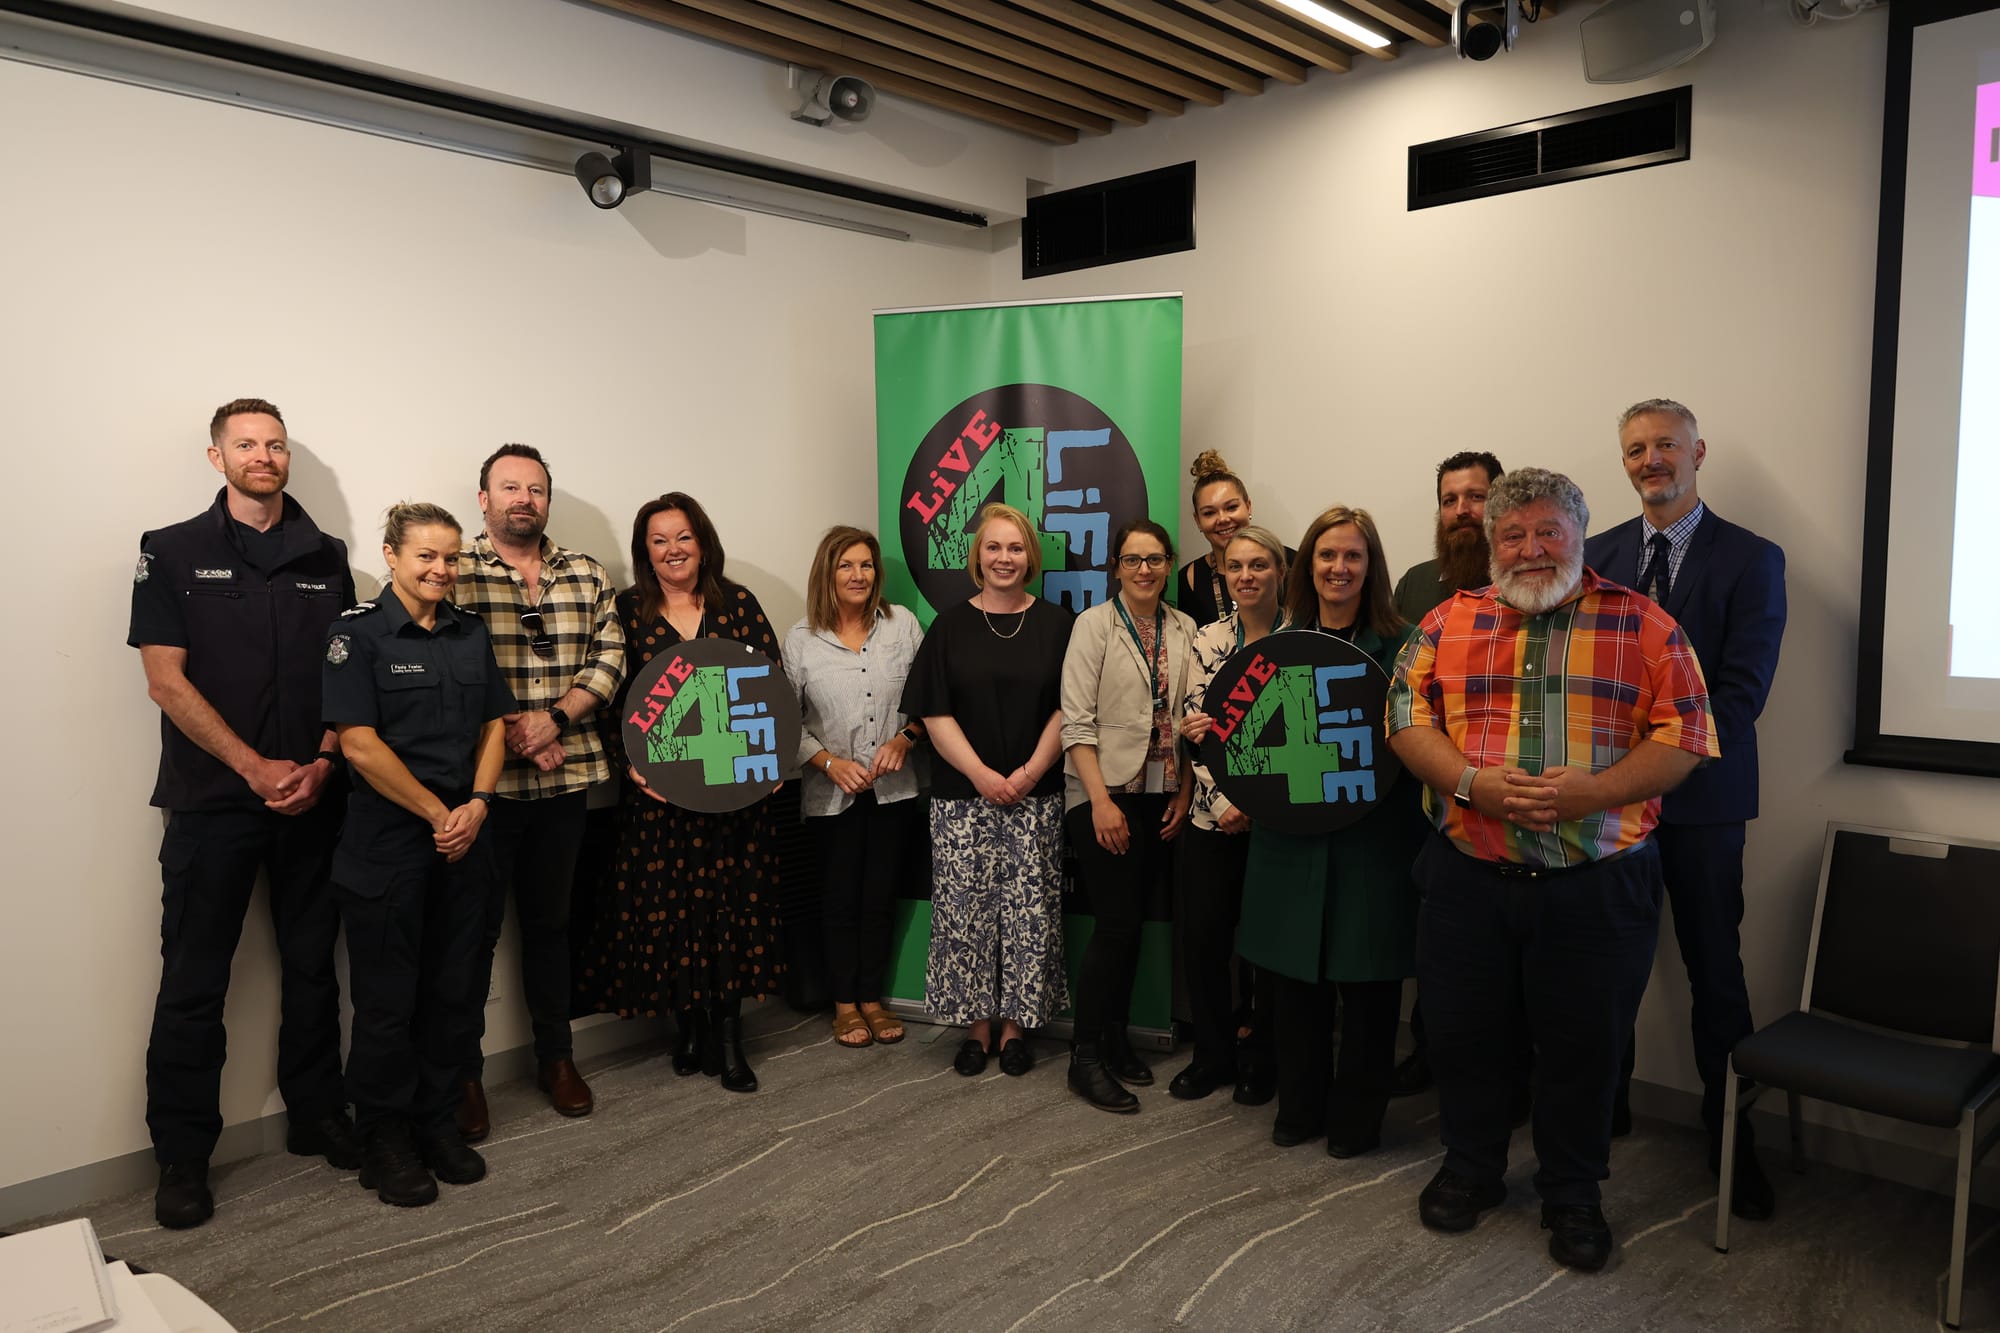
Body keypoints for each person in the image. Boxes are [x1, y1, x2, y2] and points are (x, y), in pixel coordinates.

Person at [1387, 467, 1718, 1273]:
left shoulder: (1644, 625)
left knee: (1585, 1046)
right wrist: (1472, 783)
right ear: (1491, 542)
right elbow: (1403, 714)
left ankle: (1574, 1190)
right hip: (1468, 877)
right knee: (1465, 1036)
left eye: (1548, 532)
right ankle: (1472, 1168)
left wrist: (1595, 791)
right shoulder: (1444, 620)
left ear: (1579, 532)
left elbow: (1689, 734)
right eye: (1513, 535)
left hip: (1596, 886)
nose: (1531, 549)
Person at [130, 397, 359, 1230]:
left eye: (276, 443)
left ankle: (317, 1114)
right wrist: (254, 765)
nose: (264, 454)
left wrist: (325, 761)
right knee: (194, 984)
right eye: (246, 443)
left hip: (312, 798)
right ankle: (183, 1157)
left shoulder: (326, 556)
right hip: (214, 804)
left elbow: (346, 674)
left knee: (311, 972)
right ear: (215, 456)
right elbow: (164, 679)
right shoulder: (172, 550)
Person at [1585, 398, 1787, 1220]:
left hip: (1703, 804)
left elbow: (1741, 695)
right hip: (1603, 806)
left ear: (1696, 450)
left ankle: (1730, 1139)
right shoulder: (1594, 553)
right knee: (1603, 969)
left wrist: (1657, 770)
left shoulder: (1752, 557)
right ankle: (1603, 1115)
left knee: (1716, 973)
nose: (1650, 459)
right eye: (1635, 448)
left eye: (1665, 444)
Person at [322, 502, 514, 1207]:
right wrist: (439, 812)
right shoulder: (357, 637)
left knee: (453, 993)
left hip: (466, 837)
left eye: (452, 557)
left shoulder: (470, 634)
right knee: (385, 1003)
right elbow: (358, 742)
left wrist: (479, 805)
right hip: (391, 844)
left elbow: (496, 723)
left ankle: (436, 1122)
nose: (441, 569)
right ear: (392, 556)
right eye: (427, 556)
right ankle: (385, 1138)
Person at [1232, 508, 1427, 1156]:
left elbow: (1418, 743)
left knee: (1369, 996)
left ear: (1370, 567)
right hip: (1290, 844)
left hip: (1372, 845)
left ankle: (1356, 1120)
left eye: (1352, 556)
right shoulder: (1277, 645)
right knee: (1292, 989)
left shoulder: (1405, 647)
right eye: (1326, 555)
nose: (1338, 568)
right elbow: (1252, 743)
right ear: (1306, 565)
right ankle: (1300, 1105)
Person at [577, 493, 783, 1094]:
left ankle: (728, 1037)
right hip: (660, 802)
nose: (674, 550)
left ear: (702, 541)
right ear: (646, 549)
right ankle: (688, 1027)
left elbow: (770, 686)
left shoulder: (737, 604)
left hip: (732, 800)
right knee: (674, 917)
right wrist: (629, 767)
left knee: (729, 915)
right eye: (660, 539)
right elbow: (608, 700)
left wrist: (767, 760)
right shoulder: (627, 611)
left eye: (684, 537)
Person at [450, 444, 625, 1140]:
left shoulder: (584, 573)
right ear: (483, 498)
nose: (524, 498)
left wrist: (553, 719)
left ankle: (557, 1057)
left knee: (552, 927)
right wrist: (514, 731)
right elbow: (444, 665)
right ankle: (463, 1073)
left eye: (536, 489)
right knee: (473, 936)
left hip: (565, 779)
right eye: (509, 487)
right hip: (481, 790)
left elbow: (610, 656)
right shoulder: (453, 570)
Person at [900, 502, 1074, 1077]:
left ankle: (1017, 1027)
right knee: (965, 914)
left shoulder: (1058, 624)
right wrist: (982, 776)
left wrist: (1026, 774)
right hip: (961, 800)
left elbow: (1067, 710)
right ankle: (977, 1028)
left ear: (1031, 557)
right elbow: (933, 712)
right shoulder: (949, 626)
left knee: (1030, 916)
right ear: (977, 556)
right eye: (994, 547)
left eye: (1016, 548)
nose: (1005, 558)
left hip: (1037, 795)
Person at [1061, 519, 1197, 1112]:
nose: (1145, 569)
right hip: (1102, 795)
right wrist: (1100, 801)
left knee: (1136, 924)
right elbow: (1075, 722)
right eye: (1133, 559)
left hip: (1161, 795)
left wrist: (1185, 788)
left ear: (1169, 564)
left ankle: (1116, 1041)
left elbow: (1194, 716)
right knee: (1115, 926)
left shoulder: (1187, 627)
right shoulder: (1092, 626)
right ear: (1116, 567)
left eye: (1156, 559)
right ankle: (1084, 1058)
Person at [1387, 450, 1504, 1097]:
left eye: (1477, 496)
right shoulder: (1412, 583)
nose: (1463, 509)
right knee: (1437, 939)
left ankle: (1500, 1076)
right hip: (1424, 795)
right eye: (1451, 498)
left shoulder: (1525, 577)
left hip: (1499, 800)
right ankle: (1429, 1049)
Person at [783, 526, 926, 1050]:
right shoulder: (800, 640)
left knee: (879, 897)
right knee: (840, 899)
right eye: (846, 565)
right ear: (828, 572)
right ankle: (844, 1005)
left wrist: (906, 740)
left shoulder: (902, 625)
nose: (858, 575)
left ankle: (872, 998)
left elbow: (930, 698)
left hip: (896, 790)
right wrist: (826, 761)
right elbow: (783, 721)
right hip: (831, 795)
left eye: (866, 565)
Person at [1170, 526, 1290, 1106]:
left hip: (1278, 824)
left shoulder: (1302, 637)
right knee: (1205, 941)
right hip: (1210, 818)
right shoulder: (1207, 639)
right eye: (1236, 567)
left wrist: (1254, 804)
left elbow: (1301, 738)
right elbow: (1197, 727)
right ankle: (1211, 1055)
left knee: (1269, 948)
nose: (1246, 576)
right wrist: (1221, 800)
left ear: (1279, 571)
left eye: (1259, 565)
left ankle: (1261, 1059)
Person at [1175, 451, 1293, 629]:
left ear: (1248, 506)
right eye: (1209, 513)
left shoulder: (1292, 563)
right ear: (1198, 520)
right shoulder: (1189, 580)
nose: (1222, 519)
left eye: (1231, 507)